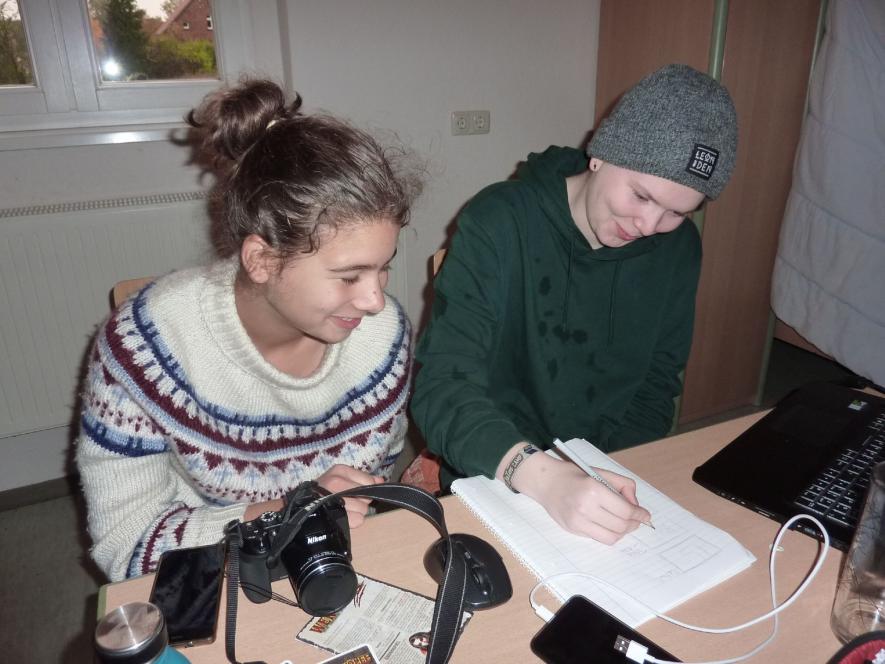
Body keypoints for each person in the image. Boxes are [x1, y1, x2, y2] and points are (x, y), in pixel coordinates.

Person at [76, 79, 423, 582]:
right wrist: (288, 513)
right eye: (349, 276)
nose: (376, 300)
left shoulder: (383, 336)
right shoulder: (145, 348)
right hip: (211, 574)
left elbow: (369, 488)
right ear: (261, 259)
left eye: (383, 267)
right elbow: (125, 546)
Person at [411, 64, 738, 544]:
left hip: (606, 475)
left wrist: (614, 471)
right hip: (496, 468)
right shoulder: (499, 221)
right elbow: (442, 389)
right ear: (602, 153)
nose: (650, 226)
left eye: (677, 212)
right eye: (641, 196)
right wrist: (543, 477)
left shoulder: (679, 247)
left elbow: (655, 387)